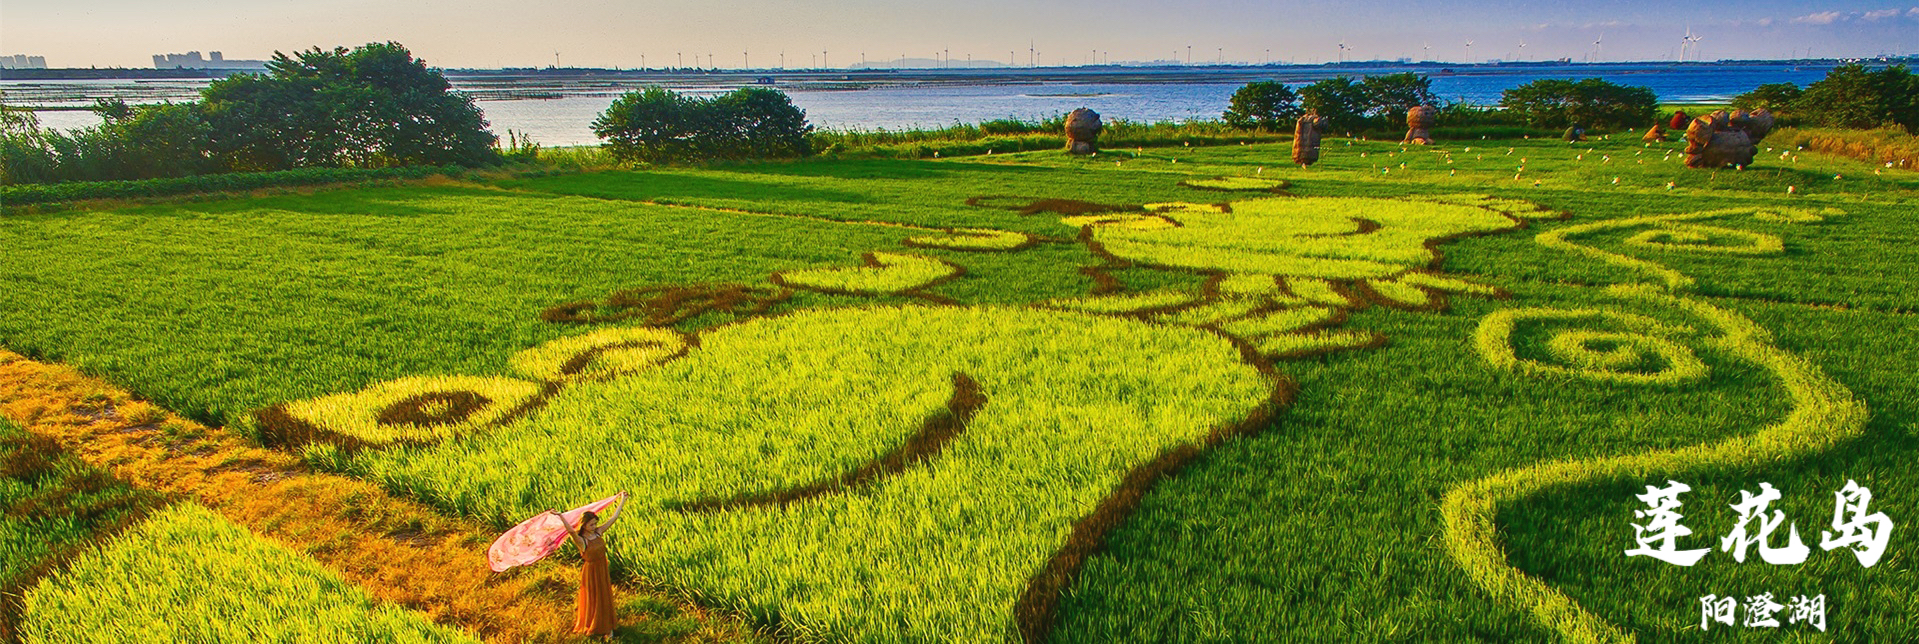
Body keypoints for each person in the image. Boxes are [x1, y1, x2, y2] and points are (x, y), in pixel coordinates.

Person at [552, 492, 628, 638]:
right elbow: (570, 532)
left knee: (604, 596)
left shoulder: (598, 532)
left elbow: (613, 518)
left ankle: (607, 626)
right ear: (584, 525)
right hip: (591, 571)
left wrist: (622, 501)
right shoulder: (581, 541)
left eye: (595, 524)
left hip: (602, 568)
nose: (594, 526)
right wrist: (561, 516)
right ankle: (596, 625)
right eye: (591, 524)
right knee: (594, 598)